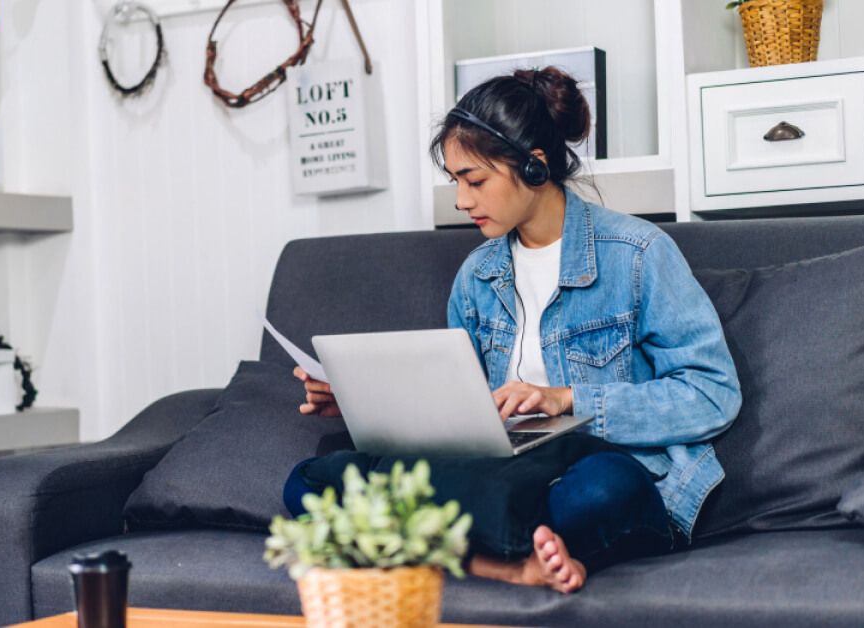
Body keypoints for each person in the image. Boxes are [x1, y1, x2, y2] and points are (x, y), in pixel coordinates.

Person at [285, 66, 742, 594]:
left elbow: (712, 394)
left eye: (474, 180)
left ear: (534, 167)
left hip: (587, 470)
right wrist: (361, 404)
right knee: (310, 482)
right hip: (500, 475)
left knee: (600, 491)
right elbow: (459, 411)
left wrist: (566, 399)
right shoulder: (477, 276)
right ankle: (506, 565)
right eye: (455, 181)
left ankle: (469, 546)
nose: (461, 200)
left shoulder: (638, 254)